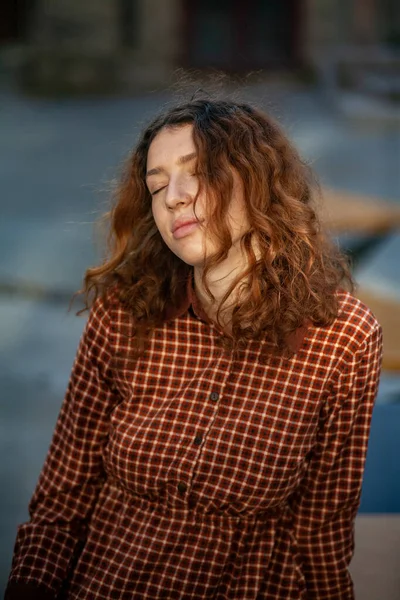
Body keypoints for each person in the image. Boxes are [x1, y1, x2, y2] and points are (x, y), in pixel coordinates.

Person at [6, 97, 382, 600]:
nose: (173, 198)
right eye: (157, 186)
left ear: (257, 179)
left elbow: (320, 533)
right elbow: (61, 505)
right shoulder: (123, 314)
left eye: (197, 172)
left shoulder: (343, 337)